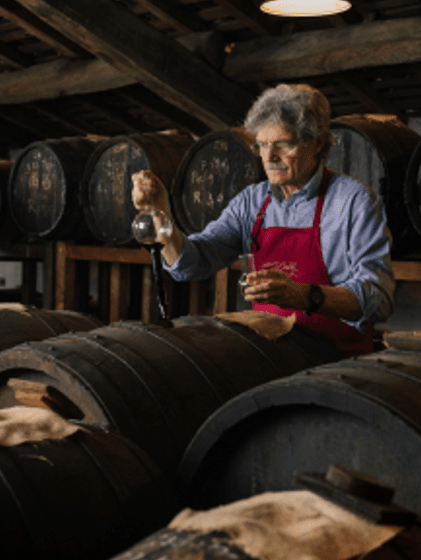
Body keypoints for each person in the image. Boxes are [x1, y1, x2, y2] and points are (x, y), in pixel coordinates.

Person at [131, 83, 393, 356]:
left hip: (335, 361)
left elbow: (378, 299)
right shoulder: (252, 202)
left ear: (315, 144)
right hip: (270, 356)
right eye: (263, 145)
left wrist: (305, 296)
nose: (269, 157)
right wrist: (160, 215)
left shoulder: (354, 202)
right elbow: (192, 263)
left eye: (283, 144)